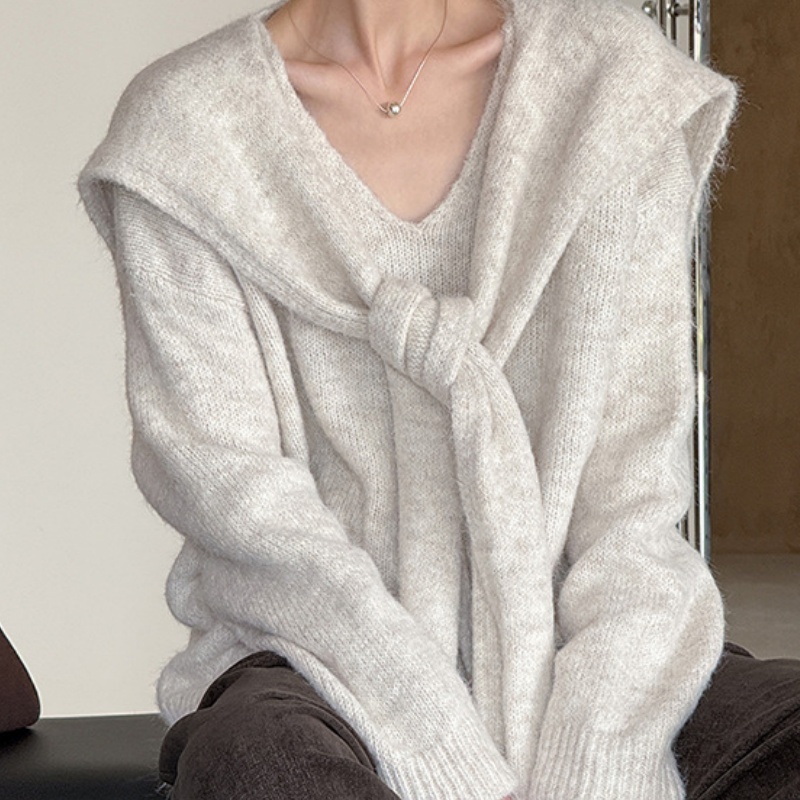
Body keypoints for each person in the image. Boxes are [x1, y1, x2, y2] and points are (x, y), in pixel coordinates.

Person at [77, 0, 800, 797]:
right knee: (260, 762)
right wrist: (440, 750)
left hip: (591, 641)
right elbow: (243, 511)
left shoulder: (609, 84)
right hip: (315, 658)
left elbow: (630, 503)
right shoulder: (185, 132)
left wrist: (596, 758)